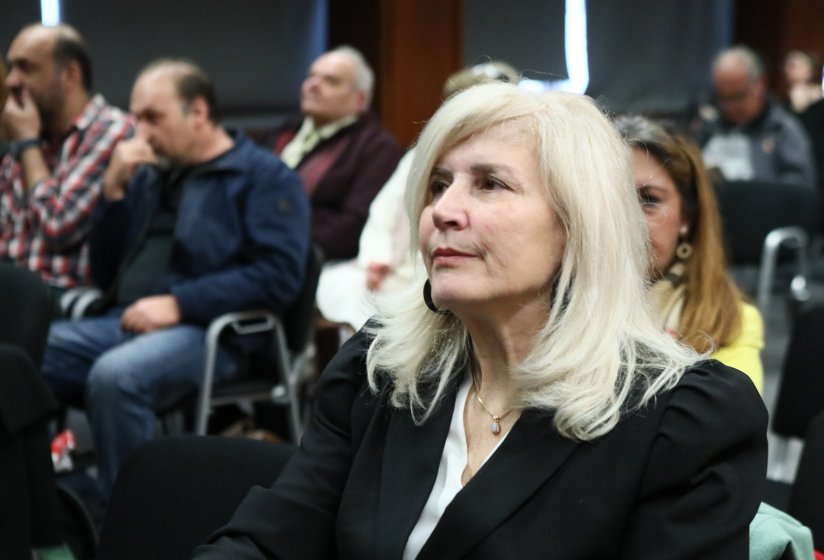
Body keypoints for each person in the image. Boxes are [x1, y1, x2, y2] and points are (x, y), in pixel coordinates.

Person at [114, 83, 767, 560]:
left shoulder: (682, 417)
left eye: (490, 185)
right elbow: (277, 539)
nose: (443, 212)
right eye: (438, 184)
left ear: (578, 225)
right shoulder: (382, 369)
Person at [40, 59, 309, 503]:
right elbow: (107, 275)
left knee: (117, 378)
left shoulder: (264, 177)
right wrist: (112, 193)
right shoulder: (151, 176)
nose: (140, 134)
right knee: (23, 353)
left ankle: (133, 526)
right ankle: (41, 506)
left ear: (198, 112)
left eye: (153, 118)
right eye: (136, 119)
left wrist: (180, 303)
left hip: (213, 333)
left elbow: (278, 276)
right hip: (124, 321)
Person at [316, 61, 520, 337]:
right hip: (406, 264)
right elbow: (385, 208)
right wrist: (377, 257)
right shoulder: (422, 153)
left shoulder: (514, 157)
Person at [616, 115, 765, 392]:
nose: (628, 220)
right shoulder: (546, 306)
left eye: (649, 200)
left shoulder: (728, 318)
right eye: (612, 199)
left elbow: (729, 416)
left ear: (686, 216)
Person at [0, 24, 133, 307]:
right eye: (11, 68)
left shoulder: (113, 132)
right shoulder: (23, 141)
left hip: (62, 301)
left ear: (70, 75)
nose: (11, 81)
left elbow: (57, 227)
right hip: (10, 297)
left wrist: (27, 145)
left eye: (25, 68)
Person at [265, 46, 403, 263]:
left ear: (359, 99)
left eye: (331, 81)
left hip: (310, 258)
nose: (313, 85)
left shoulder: (376, 147)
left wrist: (280, 243)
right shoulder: (285, 130)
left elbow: (355, 225)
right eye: (311, 76)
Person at [700, 45, 817, 187]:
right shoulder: (709, 125)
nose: (730, 107)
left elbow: (801, 187)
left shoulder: (782, 129)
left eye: (738, 96)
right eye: (724, 98)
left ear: (761, 84)